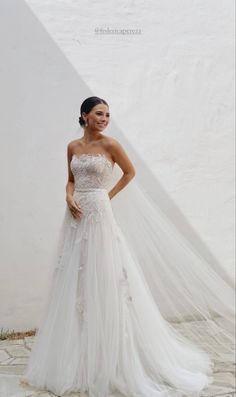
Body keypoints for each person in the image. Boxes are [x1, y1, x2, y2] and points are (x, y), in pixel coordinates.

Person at [20, 96, 234, 397]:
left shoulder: (111, 145)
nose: (105, 118)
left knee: (106, 275)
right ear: (84, 115)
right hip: (75, 215)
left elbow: (130, 172)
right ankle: (77, 356)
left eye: (107, 114)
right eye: (99, 113)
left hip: (99, 211)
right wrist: (68, 196)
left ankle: (114, 355)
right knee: (74, 279)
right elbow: (70, 179)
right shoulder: (72, 146)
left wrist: (108, 195)